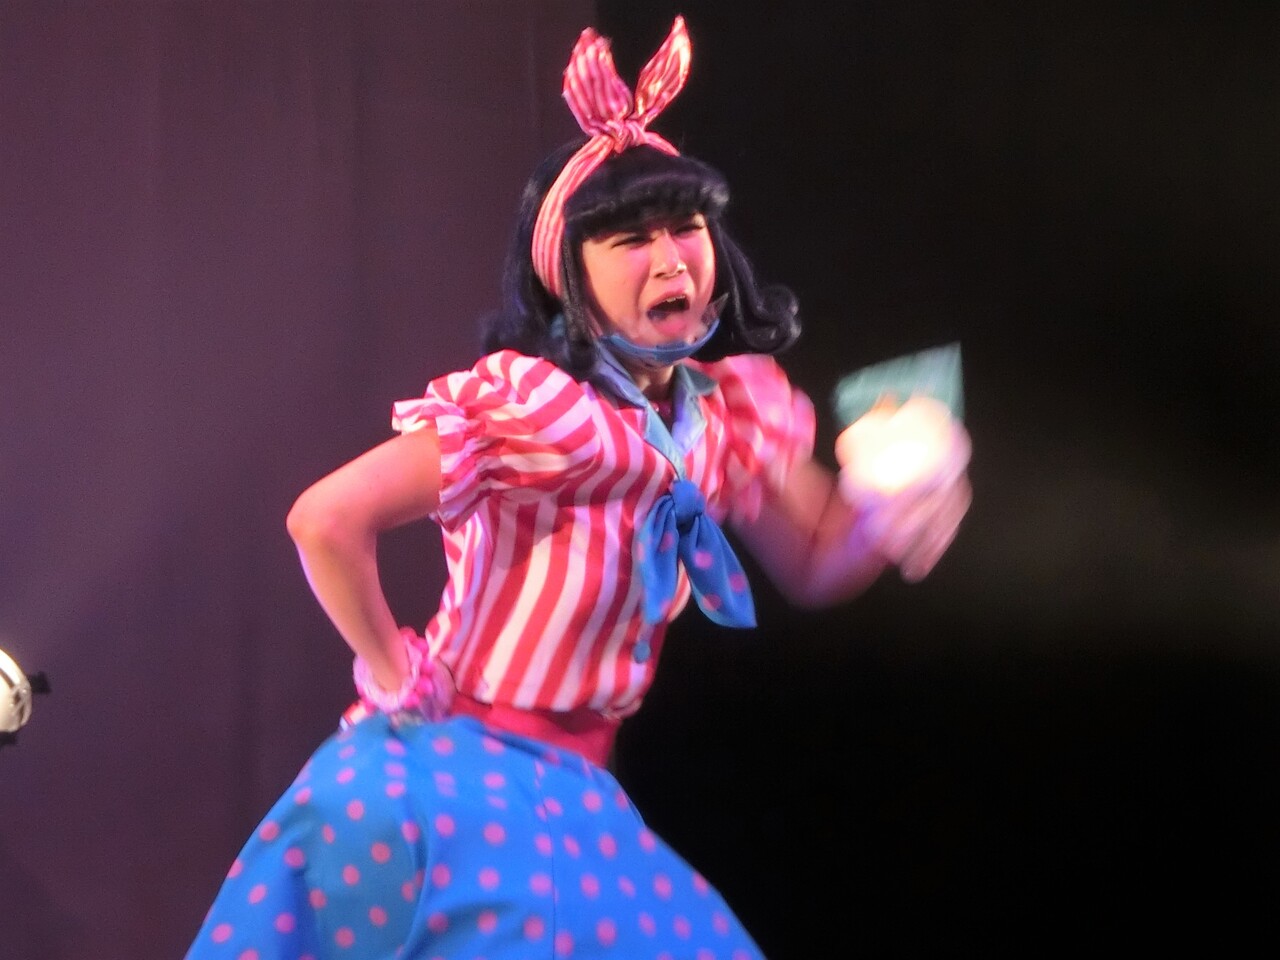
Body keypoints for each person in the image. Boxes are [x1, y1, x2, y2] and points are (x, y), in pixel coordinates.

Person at [185, 16, 971, 960]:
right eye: (633, 239)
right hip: (451, 777)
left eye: (686, 230)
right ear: (569, 276)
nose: (671, 259)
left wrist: (892, 500)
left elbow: (814, 561)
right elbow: (324, 519)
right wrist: (395, 672)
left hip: (574, 790)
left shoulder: (725, 416)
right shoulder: (538, 413)